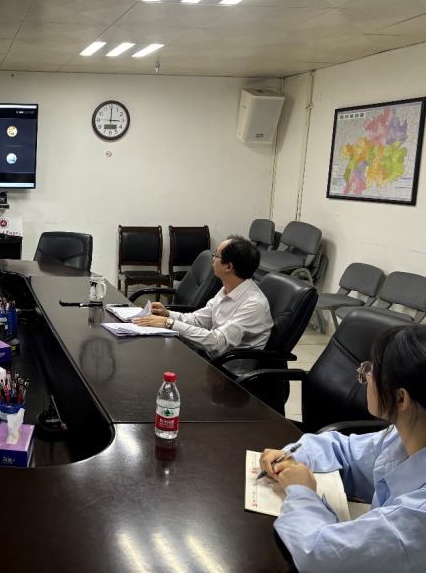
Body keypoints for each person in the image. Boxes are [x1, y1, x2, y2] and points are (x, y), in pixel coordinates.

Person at [259, 324, 426, 572]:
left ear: (401, 398)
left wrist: (301, 491)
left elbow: (319, 554)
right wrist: (293, 455)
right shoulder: (404, 436)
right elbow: (343, 450)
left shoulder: (418, 514)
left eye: (371, 370)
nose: (366, 376)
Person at [133, 235, 273, 358]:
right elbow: (198, 320)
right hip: (206, 356)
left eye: (216, 255)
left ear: (228, 267)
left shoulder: (254, 304)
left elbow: (217, 342)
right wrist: (168, 314)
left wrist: (169, 323)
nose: (213, 259)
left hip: (225, 372)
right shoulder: (227, 289)